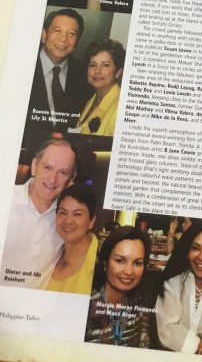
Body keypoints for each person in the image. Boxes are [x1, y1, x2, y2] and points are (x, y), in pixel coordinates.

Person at [0, 138, 76, 288]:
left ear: (70, 179)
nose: (52, 180)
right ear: (34, 166)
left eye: (63, 172)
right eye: (47, 167)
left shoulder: (67, 221)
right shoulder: (5, 198)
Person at [156, 222, 202, 356]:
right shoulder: (173, 283)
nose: (201, 257)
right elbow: (167, 331)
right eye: (195, 248)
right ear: (187, 251)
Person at [85, 226, 152, 347]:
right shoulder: (85, 305)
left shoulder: (140, 304)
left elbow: (143, 346)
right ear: (105, 262)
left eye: (137, 263)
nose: (129, 271)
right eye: (120, 261)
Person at [26, 8, 90, 131]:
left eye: (71, 33)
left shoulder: (85, 74)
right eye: (57, 31)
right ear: (44, 35)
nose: (63, 39)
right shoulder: (22, 65)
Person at [46, 183, 98, 294]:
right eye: (63, 213)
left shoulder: (99, 262)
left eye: (77, 214)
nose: (68, 221)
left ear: (91, 221)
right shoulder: (51, 254)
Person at [72, 39, 126, 137]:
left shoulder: (120, 108)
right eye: (93, 65)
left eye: (105, 65)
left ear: (118, 72)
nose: (97, 71)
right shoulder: (90, 101)